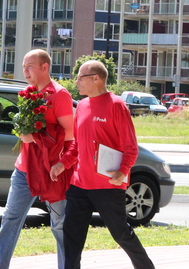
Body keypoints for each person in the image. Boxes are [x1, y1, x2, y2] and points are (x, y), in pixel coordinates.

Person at [50, 60, 155, 269]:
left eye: (81, 77)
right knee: (72, 237)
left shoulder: (116, 105)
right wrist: (63, 164)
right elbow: (77, 146)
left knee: (121, 234)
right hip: (80, 185)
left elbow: (131, 147)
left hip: (107, 185)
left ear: (96, 78)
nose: (76, 81)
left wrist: (123, 171)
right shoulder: (82, 106)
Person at [0, 49, 74, 269]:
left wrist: (35, 137)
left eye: (29, 66)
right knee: (10, 219)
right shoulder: (27, 93)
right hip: (25, 170)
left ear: (45, 67)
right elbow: (23, 131)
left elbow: (70, 134)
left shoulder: (60, 94)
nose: (25, 70)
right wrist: (23, 134)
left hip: (51, 171)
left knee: (60, 225)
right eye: (24, 66)